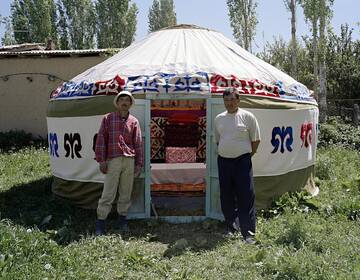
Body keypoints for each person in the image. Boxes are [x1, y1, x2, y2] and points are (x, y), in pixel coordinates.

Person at [214, 88, 261, 244]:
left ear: (238, 100)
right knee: (226, 195)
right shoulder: (219, 119)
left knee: (246, 196)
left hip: (242, 162)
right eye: (226, 101)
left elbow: (256, 140)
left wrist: (246, 155)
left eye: (232, 100)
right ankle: (231, 227)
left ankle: (248, 233)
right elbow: (218, 140)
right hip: (224, 161)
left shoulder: (248, 117)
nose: (229, 103)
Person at [94, 90, 143, 236]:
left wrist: (139, 163)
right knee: (108, 192)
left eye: (127, 100)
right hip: (113, 159)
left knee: (125, 192)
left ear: (130, 104)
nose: (124, 102)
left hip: (129, 160)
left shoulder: (134, 121)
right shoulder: (108, 118)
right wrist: (101, 160)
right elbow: (101, 139)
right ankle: (100, 222)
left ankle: (122, 220)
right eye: (121, 99)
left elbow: (138, 143)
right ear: (117, 103)